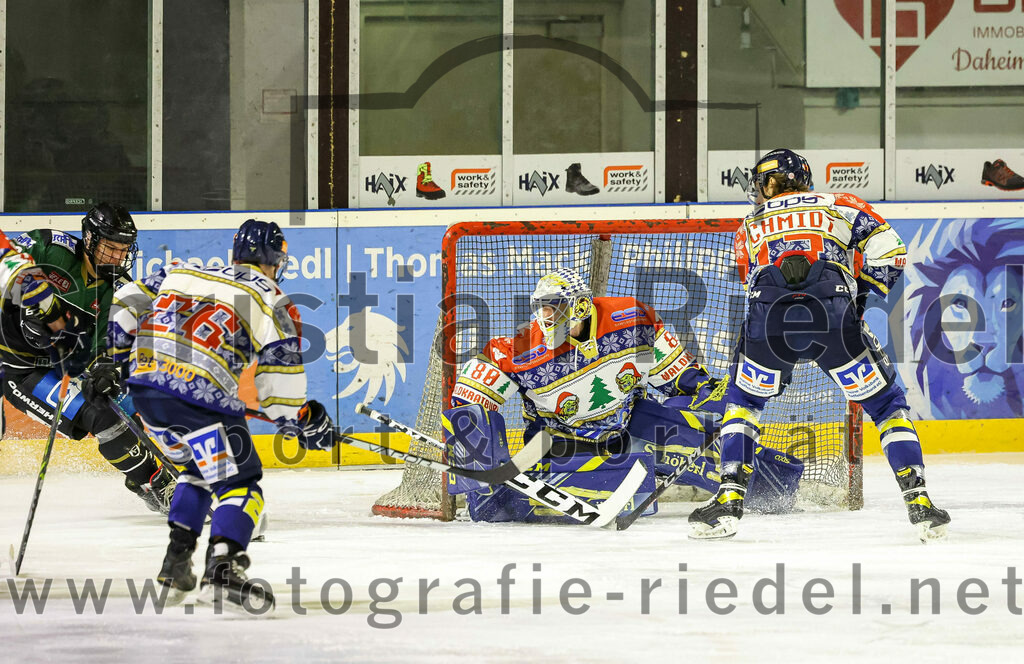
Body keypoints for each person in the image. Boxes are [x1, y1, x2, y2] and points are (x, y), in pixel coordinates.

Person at [688, 148, 951, 541]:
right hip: (834, 322)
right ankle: (920, 503)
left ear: (773, 182)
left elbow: (749, 278)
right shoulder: (841, 204)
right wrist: (860, 296)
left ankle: (728, 501)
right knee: (886, 406)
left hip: (769, 328)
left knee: (743, 406)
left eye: (762, 181)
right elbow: (891, 251)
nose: (758, 188)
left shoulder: (750, 223)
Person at [91, 219, 334, 612]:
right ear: (275, 261)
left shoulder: (183, 270)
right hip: (200, 401)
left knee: (199, 470)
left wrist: (117, 361)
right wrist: (303, 420)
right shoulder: (274, 299)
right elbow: (281, 395)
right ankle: (224, 568)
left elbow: (127, 298)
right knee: (241, 484)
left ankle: (177, 561)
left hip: (147, 394)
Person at [444, 267, 735, 522]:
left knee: (718, 442)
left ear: (580, 306)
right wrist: (475, 455)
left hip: (628, 429)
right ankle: (497, 496)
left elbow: (681, 379)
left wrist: (711, 396)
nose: (545, 316)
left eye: (553, 307)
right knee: (496, 507)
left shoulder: (632, 322)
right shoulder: (523, 349)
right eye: (541, 308)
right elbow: (471, 396)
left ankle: (770, 484)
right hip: (560, 444)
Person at [0, 203, 175, 513]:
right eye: (110, 248)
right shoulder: (49, 248)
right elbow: (8, 264)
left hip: (32, 372)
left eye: (123, 250)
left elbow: (103, 351)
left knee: (110, 413)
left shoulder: (116, 292)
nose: (117, 257)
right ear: (90, 240)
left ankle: (153, 483)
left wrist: (105, 370)